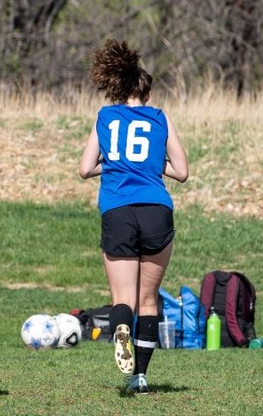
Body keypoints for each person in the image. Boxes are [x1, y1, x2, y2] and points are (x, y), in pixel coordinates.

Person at [78, 39, 188, 395]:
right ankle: (139, 375)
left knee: (122, 298)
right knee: (149, 300)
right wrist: (151, 165)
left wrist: (115, 164)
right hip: (157, 210)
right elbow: (182, 171)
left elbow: (85, 168)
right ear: (147, 93)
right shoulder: (160, 118)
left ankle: (121, 329)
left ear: (118, 87)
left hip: (119, 210)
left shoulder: (106, 117)